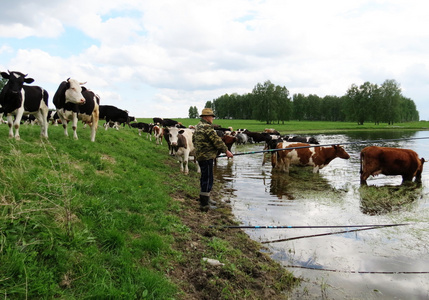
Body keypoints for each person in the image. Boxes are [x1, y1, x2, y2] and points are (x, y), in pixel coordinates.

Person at [193, 108, 233, 212]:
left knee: (204, 177)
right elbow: (217, 141)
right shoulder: (207, 127)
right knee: (208, 178)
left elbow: (194, 140)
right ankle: (204, 204)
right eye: (211, 116)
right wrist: (227, 151)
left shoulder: (198, 126)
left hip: (201, 156)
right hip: (207, 157)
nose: (213, 118)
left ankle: (206, 198)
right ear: (206, 117)